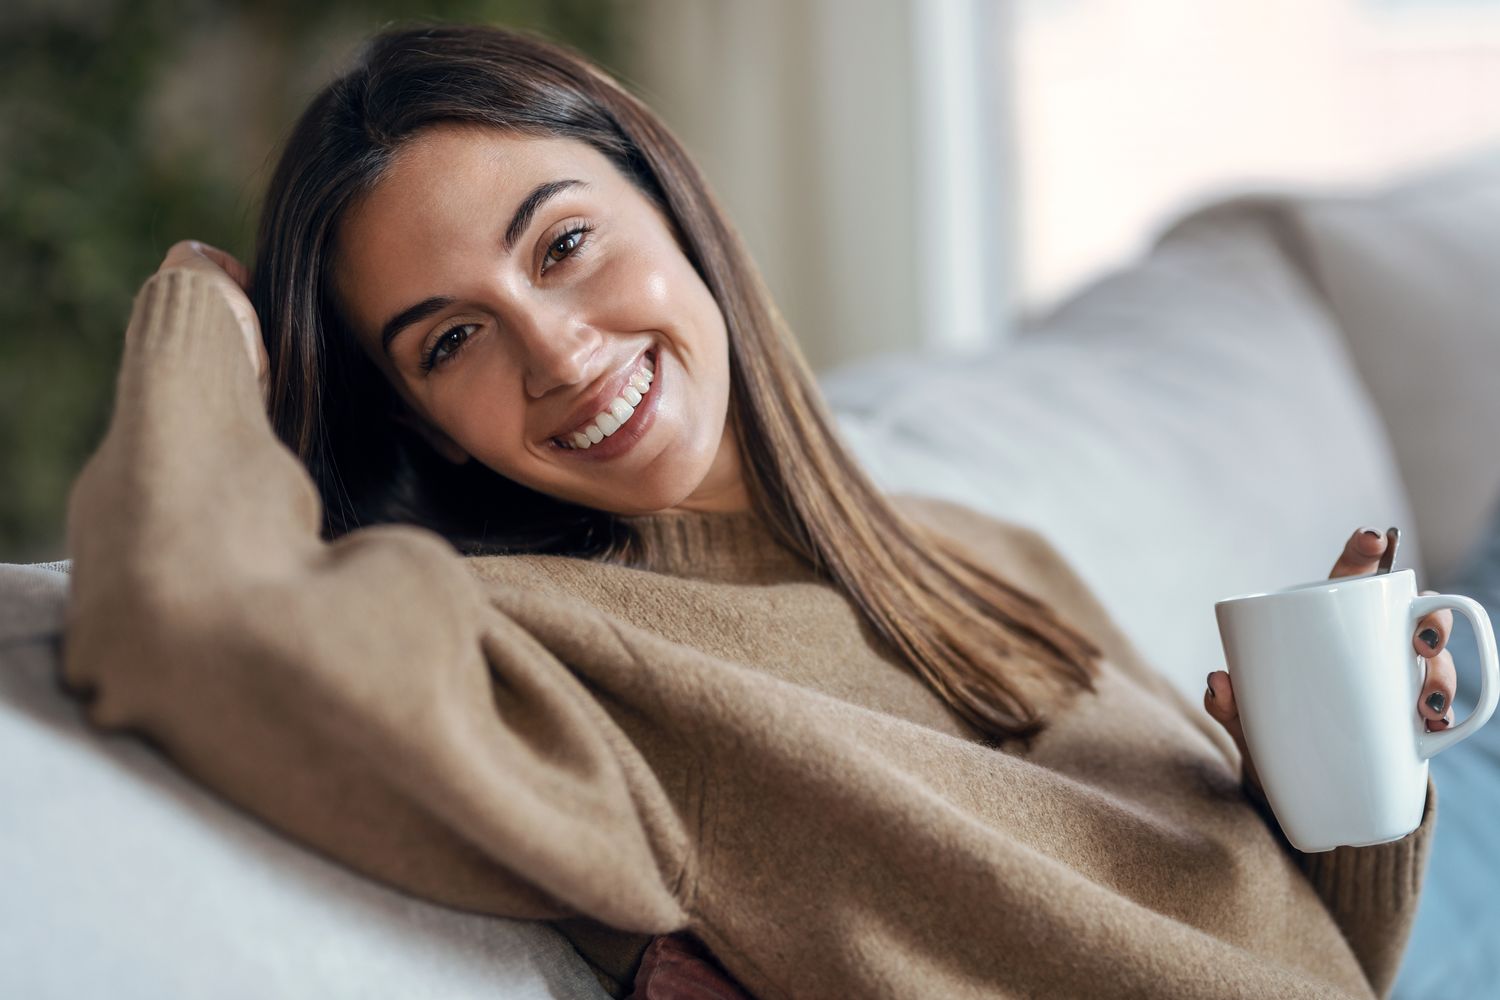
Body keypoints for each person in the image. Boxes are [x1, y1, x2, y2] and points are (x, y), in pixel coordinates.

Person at [59, 22, 1459, 1000]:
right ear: (422, 423)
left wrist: (1358, 780)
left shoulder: (969, 553)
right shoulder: (564, 657)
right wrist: (198, 309)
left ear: (673, 205)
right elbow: (183, 626)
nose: (554, 351)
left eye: (563, 243)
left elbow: (1320, 966)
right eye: (450, 342)